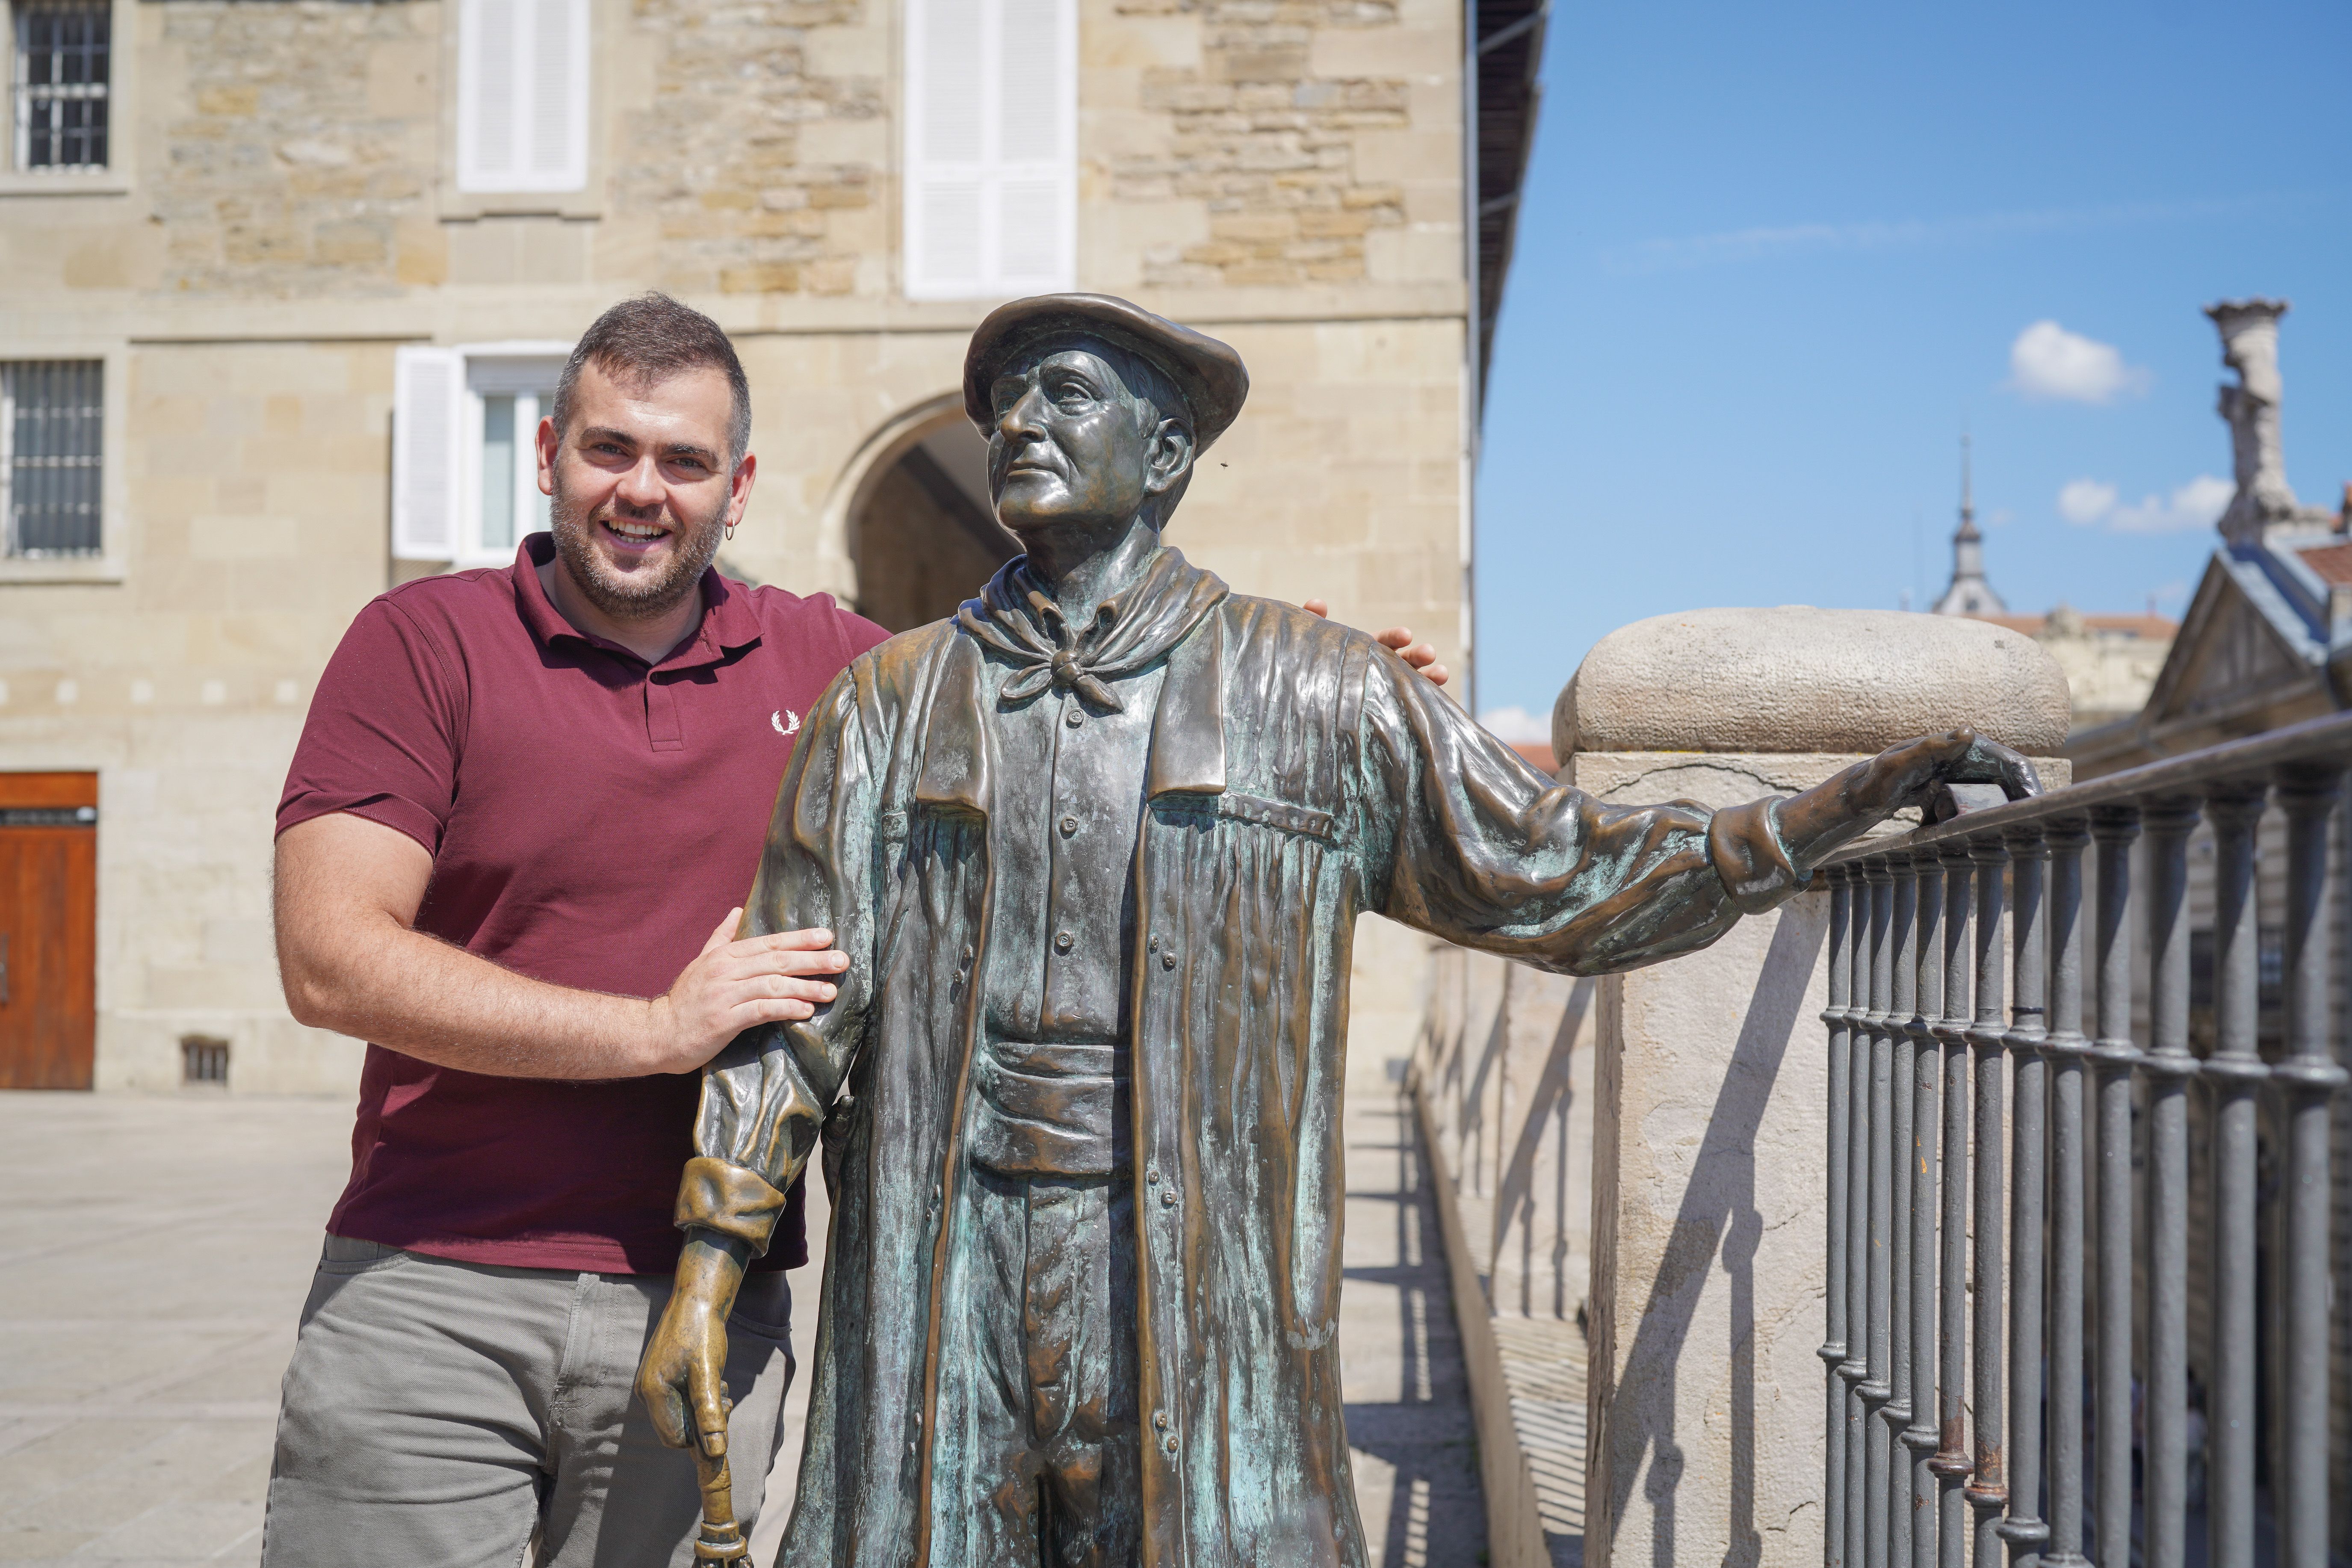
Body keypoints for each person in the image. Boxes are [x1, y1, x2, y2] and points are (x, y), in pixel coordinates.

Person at [632, 293, 2042, 1568]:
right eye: (1005, 398)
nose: (1016, 422)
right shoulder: (884, 707)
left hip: (1201, 1288)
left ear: (1168, 451)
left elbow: (1551, 865)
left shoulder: (1316, 693)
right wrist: (713, 1253)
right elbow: (796, 1004)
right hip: (946, 1273)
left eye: (1066, 393)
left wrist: (1812, 818)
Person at [262, 291, 1447, 1568]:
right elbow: (330, 957)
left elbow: (1053, 718)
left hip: (705, 1304)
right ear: (548, 450)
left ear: (741, 485)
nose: (641, 490)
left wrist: (1294, 691)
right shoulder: (425, 642)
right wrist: (657, 1031)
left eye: (684, 461)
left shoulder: (838, 669)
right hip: (436, 1291)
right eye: (608, 448)